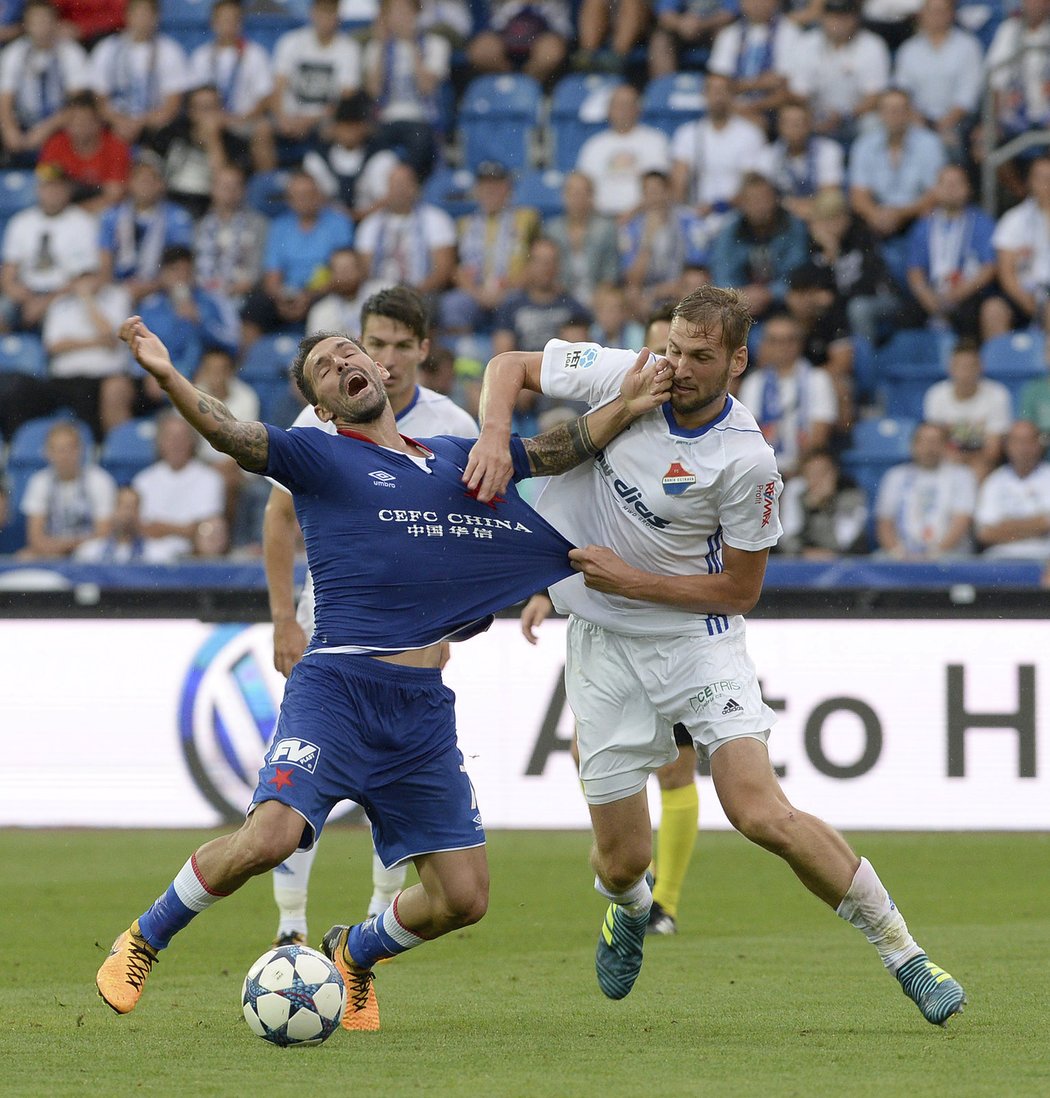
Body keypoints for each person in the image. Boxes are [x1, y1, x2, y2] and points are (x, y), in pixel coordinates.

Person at [95, 308, 671, 1029]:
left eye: (349, 353)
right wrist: (169, 375)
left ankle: (355, 953)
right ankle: (146, 937)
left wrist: (629, 403)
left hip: (420, 710)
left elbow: (557, 448)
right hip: (335, 690)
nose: (343, 364)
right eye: (326, 368)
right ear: (321, 405)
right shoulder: (318, 457)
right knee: (270, 836)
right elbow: (231, 434)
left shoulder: (453, 456)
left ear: (382, 367)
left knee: (465, 899)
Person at [464, 283, 967, 1025]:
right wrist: (490, 436)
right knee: (620, 861)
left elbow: (738, 590)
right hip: (601, 643)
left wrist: (628, 578)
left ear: (736, 362)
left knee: (758, 811)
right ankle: (630, 909)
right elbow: (508, 363)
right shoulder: (622, 373)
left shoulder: (748, 462)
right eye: (673, 348)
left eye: (699, 356)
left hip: (694, 643)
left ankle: (906, 952)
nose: (679, 367)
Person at [263, 283, 480, 948]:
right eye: (373, 340)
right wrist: (282, 618)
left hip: (414, 629)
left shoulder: (453, 426)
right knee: (302, 783)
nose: (383, 354)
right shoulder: (315, 419)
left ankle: (373, 919)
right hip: (328, 618)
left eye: (397, 344)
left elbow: (466, 539)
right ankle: (290, 926)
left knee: (393, 787)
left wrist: (444, 630)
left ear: (420, 349)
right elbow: (278, 519)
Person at [875, 421, 977, 559]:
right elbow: (884, 522)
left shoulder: (962, 476)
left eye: (935, 442)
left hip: (948, 555)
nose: (929, 448)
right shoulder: (895, 476)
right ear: (912, 446)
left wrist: (932, 556)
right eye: (924, 441)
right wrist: (898, 554)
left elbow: (961, 521)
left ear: (946, 446)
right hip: (902, 556)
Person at [17, 419, 116, 559]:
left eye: (70, 449)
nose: (64, 456)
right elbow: (35, 537)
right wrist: (62, 547)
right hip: (52, 549)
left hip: (90, 551)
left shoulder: (100, 480)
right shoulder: (39, 482)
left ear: (81, 450)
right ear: (47, 452)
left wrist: (67, 546)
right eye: (58, 450)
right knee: (24, 557)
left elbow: (104, 532)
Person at [974, 419, 1050, 560]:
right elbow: (985, 533)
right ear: (1007, 446)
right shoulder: (994, 481)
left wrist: (1006, 526)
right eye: (1017, 442)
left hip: (1045, 559)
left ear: (1039, 444)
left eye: (1029, 441)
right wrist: (1039, 524)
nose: (1023, 448)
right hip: (1001, 561)